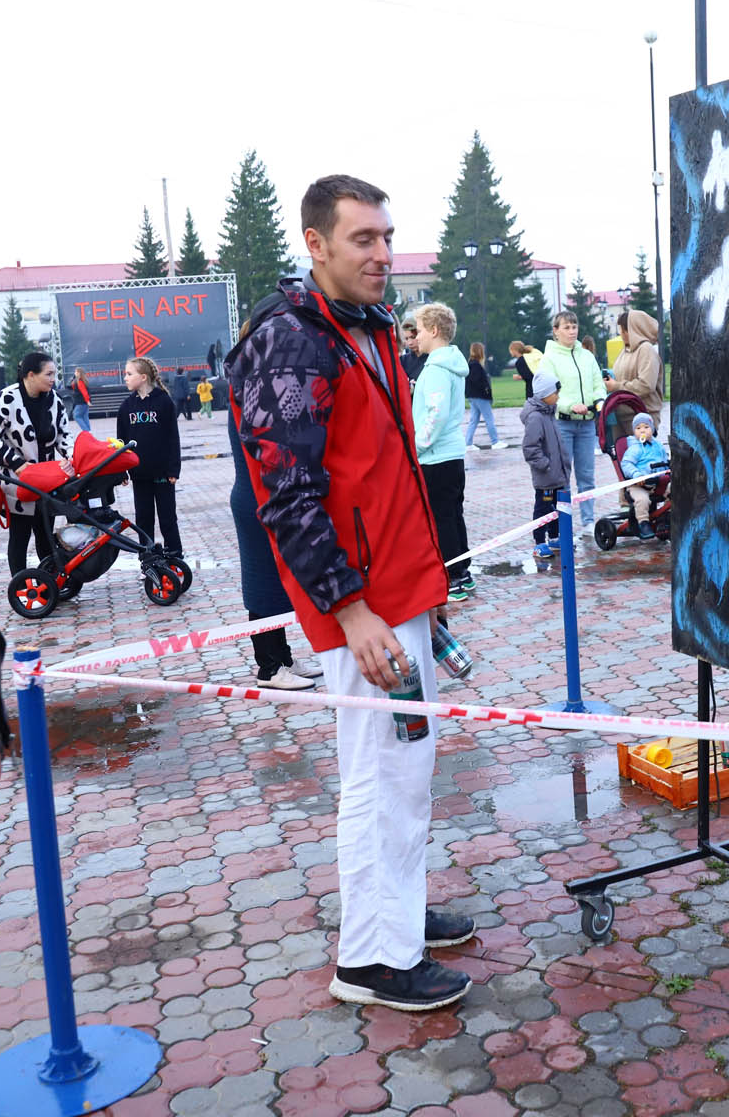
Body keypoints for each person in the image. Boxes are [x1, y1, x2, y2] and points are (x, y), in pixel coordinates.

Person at [226, 173, 470, 1012]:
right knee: (379, 773)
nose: (381, 253)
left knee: (407, 767)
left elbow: (388, 471)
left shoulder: (363, 327)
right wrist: (353, 610)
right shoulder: (292, 340)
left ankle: (395, 915)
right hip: (362, 609)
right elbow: (284, 496)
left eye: (387, 236)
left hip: (399, 592)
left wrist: (423, 591)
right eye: (362, 239)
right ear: (317, 244)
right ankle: (371, 958)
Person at [226, 325, 321, 693]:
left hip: (265, 495)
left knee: (279, 581)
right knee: (263, 582)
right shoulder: (254, 383)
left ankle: (282, 655)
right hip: (256, 497)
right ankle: (267, 666)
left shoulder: (259, 379)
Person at [0, 350, 74, 575]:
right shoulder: (6, 399)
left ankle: (53, 582)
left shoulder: (55, 400)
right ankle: (21, 585)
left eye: (54, 374)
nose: (54, 379)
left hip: (47, 481)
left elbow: (63, 435)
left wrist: (72, 457)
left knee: (46, 536)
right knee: (19, 536)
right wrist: (16, 463)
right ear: (30, 375)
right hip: (16, 481)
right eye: (49, 374)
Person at [411, 303, 473, 601]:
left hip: (435, 456)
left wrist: (416, 444)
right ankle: (464, 570)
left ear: (434, 331)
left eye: (420, 330)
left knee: (441, 518)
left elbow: (435, 413)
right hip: (451, 454)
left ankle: (453, 577)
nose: (416, 336)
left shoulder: (436, 368)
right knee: (452, 513)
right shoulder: (451, 364)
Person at [541, 311, 605, 529]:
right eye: (566, 327)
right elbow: (545, 392)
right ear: (556, 331)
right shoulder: (549, 358)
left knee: (587, 475)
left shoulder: (586, 356)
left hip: (587, 422)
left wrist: (600, 399)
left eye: (574, 326)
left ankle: (588, 522)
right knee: (563, 477)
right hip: (563, 424)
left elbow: (598, 383)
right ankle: (564, 525)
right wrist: (568, 406)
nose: (571, 331)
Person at [116, 356, 182, 556]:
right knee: (144, 520)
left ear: (143, 377)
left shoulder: (164, 402)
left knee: (167, 518)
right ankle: (148, 558)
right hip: (139, 475)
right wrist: (121, 472)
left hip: (163, 474)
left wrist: (173, 469)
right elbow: (121, 443)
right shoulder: (126, 407)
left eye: (129, 374)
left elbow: (173, 438)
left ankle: (175, 556)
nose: (125, 378)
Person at [519, 372, 569, 562]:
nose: (557, 395)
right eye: (555, 392)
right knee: (543, 509)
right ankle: (539, 542)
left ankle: (554, 538)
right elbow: (530, 447)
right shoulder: (536, 418)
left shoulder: (549, 413)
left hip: (557, 475)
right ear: (544, 394)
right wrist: (545, 465)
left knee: (557, 507)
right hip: (545, 476)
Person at [604, 308, 664, 418]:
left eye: (623, 330)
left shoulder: (646, 350)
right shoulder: (625, 350)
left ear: (633, 330)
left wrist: (616, 386)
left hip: (642, 417)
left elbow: (646, 385)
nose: (621, 334)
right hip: (623, 415)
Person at [621, 413, 670, 538]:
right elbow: (626, 464)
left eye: (646, 427)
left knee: (674, 490)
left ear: (652, 429)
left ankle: (664, 518)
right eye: (638, 428)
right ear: (634, 432)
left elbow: (665, 460)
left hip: (659, 482)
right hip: (639, 485)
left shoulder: (658, 446)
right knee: (642, 500)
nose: (642, 430)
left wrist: (668, 469)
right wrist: (636, 474)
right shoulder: (634, 449)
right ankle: (643, 523)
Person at [463, 341, 505, 451]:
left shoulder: (470, 364)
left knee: (474, 420)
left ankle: (468, 443)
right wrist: (486, 391)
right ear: (480, 351)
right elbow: (478, 382)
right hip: (480, 396)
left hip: (472, 396)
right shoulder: (476, 365)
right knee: (489, 418)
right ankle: (495, 442)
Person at [398, 316, 425, 381]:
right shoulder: (403, 360)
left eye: (413, 337)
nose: (410, 343)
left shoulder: (432, 358)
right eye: (406, 339)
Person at [70, 366, 92, 431]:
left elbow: (84, 392)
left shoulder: (80, 381)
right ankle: (88, 432)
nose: (74, 373)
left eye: (76, 372)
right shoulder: (82, 380)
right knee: (85, 417)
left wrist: (87, 401)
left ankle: (86, 431)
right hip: (83, 402)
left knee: (76, 416)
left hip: (81, 402)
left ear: (79, 373)